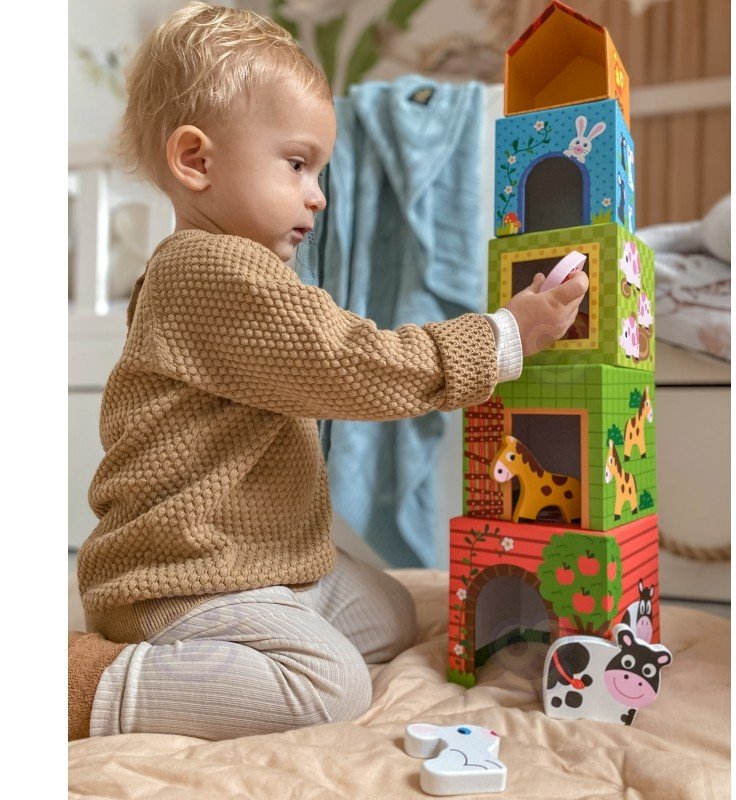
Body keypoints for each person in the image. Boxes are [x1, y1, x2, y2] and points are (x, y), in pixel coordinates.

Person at [68, 2, 589, 742]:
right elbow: (353, 362)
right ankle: (85, 682)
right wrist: (503, 337)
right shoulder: (207, 268)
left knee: (390, 615)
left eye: (320, 170)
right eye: (296, 163)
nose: (317, 193)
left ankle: (255, 635)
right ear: (196, 160)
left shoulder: (241, 268)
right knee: (330, 688)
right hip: (182, 573)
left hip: (263, 557)